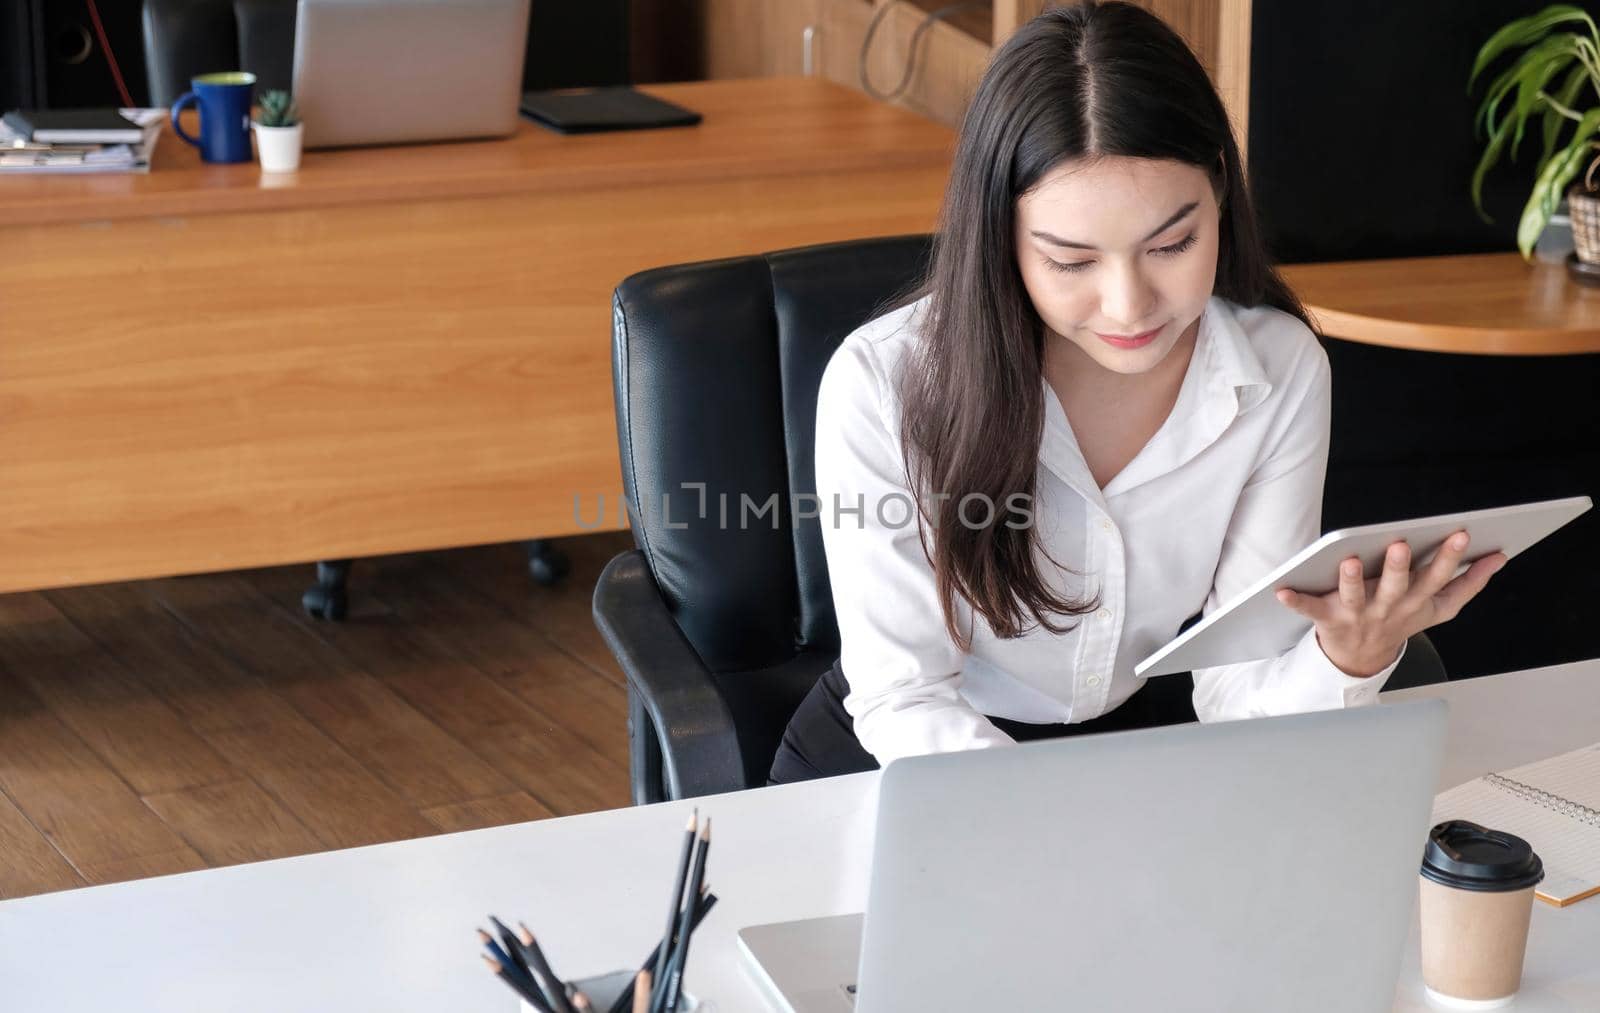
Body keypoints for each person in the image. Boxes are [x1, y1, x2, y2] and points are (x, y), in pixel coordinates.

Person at [767, 1, 1504, 785]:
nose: (1130, 305)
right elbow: (906, 697)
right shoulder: (885, 383)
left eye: (1171, 244)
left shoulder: (1278, 371)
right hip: (906, 760)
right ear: (1002, 237)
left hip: (1141, 746)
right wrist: (1071, 831)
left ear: (1220, 189)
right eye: (1072, 261)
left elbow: (1238, 687)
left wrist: (1349, 655)